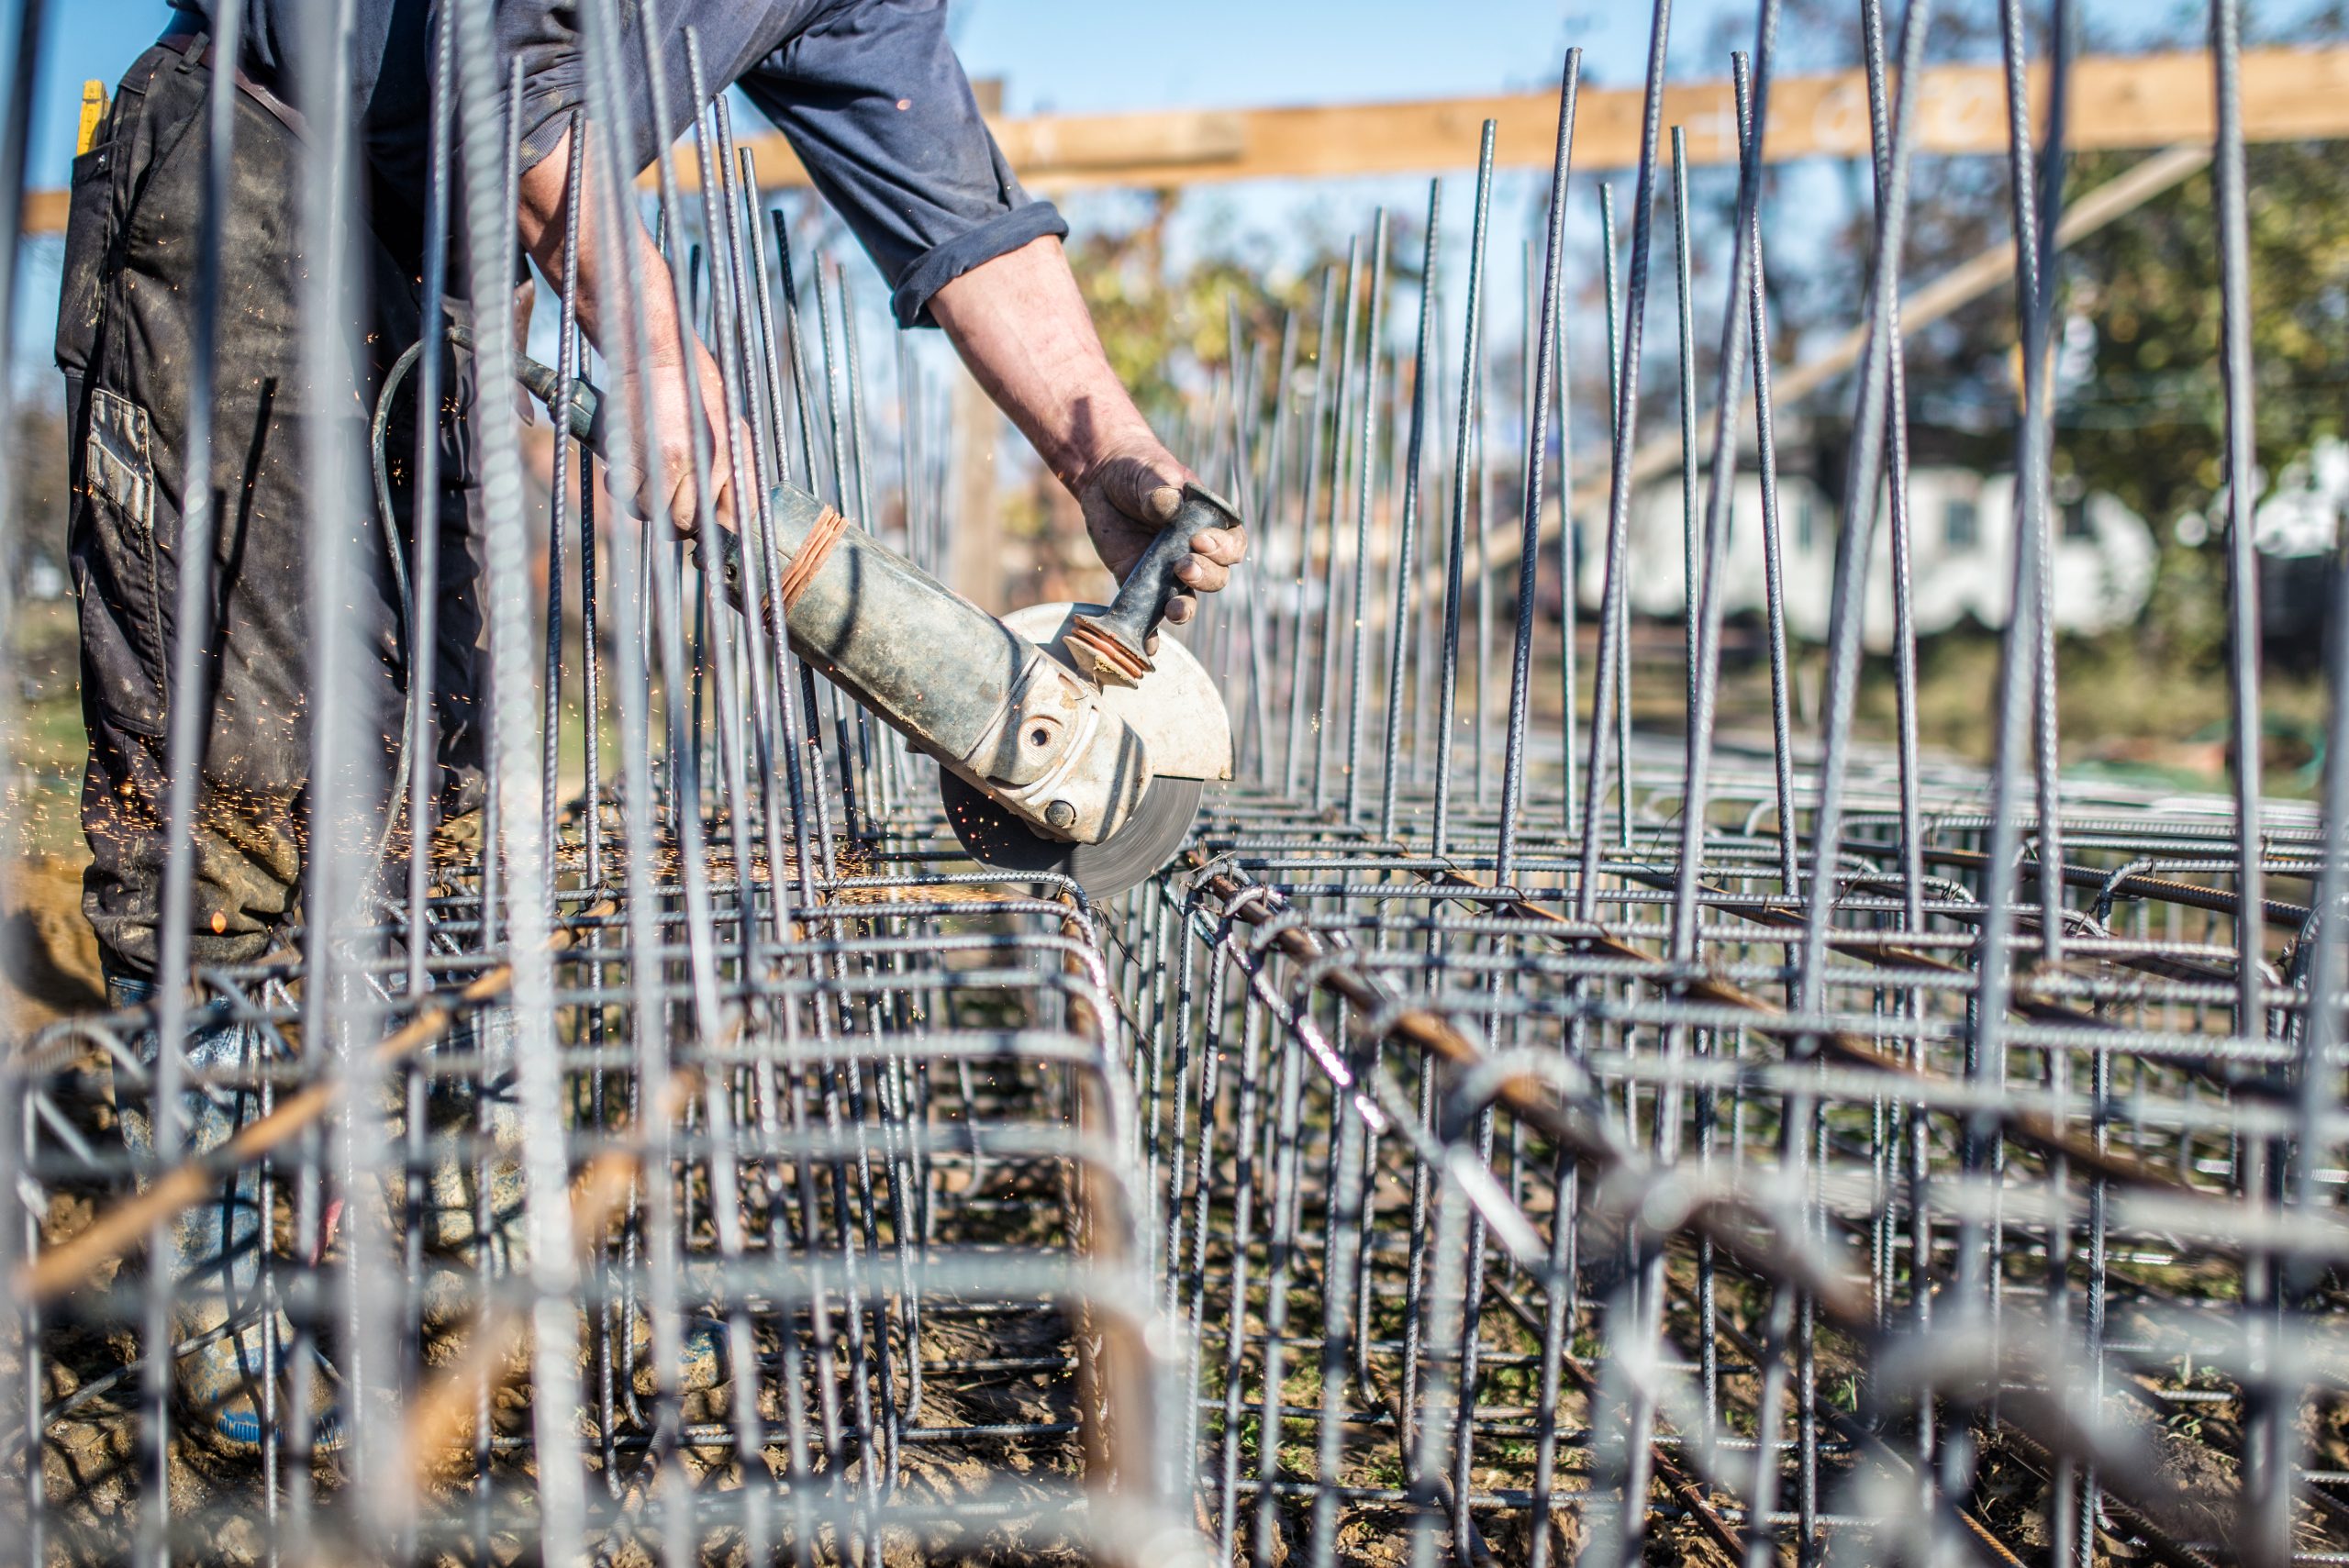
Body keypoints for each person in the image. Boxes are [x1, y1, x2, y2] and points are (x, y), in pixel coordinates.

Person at [56, 0, 1244, 1451]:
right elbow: (493, 55)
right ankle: (234, 1284)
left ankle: (428, 1245)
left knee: (449, 788)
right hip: (262, 166)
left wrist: (1100, 440)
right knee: (249, 790)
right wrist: (660, 344)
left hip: (455, 242)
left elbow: (944, 184)